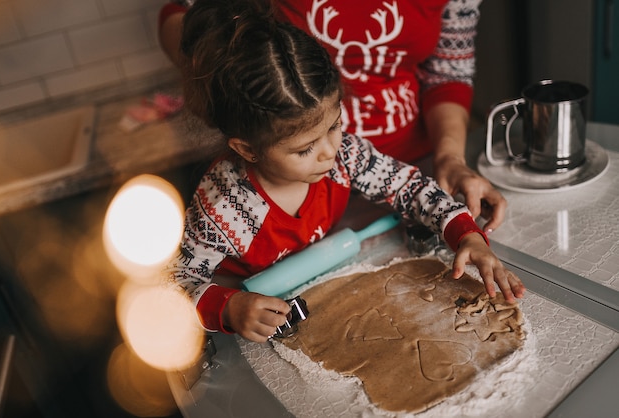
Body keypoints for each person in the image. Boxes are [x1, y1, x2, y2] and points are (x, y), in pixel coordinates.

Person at [163, 0, 525, 343]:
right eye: (304, 148)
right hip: (249, 306)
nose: (329, 153)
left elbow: (409, 187)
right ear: (247, 149)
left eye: (335, 125)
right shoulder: (227, 208)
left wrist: (467, 236)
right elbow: (174, 282)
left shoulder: (344, 155)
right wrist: (228, 308)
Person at [158, 0, 507, 233]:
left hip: (411, 167)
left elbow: (448, 74)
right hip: (294, 191)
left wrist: (450, 158)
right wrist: (229, 73)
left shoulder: (354, 156)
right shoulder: (224, 209)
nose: (330, 150)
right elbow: (186, 16)